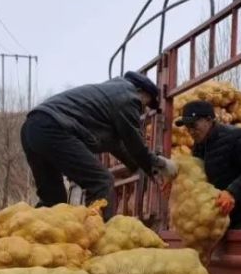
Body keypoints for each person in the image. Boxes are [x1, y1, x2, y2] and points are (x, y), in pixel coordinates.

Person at [20, 71, 177, 218]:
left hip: (32, 128)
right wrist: (161, 164)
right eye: (146, 104)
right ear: (141, 92)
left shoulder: (109, 96)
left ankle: (23, 237)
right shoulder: (128, 97)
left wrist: (142, 169)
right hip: (53, 127)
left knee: (52, 200)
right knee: (101, 182)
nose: (142, 111)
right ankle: (100, 241)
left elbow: (117, 145)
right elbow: (134, 143)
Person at [175, 100, 241, 229]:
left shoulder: (236, 136)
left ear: (209, 119)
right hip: (219, 215)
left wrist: (232, 192)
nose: (191, 131)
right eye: (187, 127)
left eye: (194, 125)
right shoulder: (199, 146)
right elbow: (199, 176)